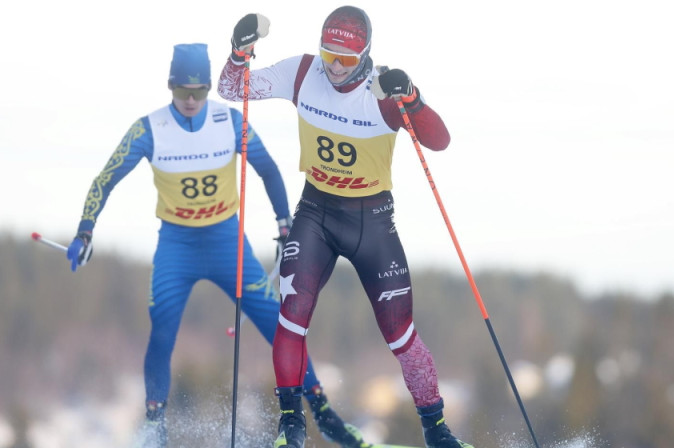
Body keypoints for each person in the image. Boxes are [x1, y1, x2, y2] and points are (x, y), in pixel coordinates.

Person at [66, 43, 364, 448]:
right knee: (162, 331)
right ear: (170, 87)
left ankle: (322, 411)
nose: (190, 100)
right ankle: (155, 424)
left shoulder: (229, 120)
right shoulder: (149, 129)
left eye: (199, 91)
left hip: (227, 243)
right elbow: (106, 178)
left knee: (281, 325)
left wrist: (284, 227)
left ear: (208, 88)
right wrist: (85, 231)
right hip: (177, 246)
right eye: (182, 91)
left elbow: (269, 170)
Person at [218, 7, 474, 448]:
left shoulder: (382, 92)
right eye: (329, 55)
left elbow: (440, 141)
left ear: (366, 56)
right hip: (316, 213)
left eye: (347, 60)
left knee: (400, 332)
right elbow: (230, 89)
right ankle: (291, 427)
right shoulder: (302, 73)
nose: (335, 68)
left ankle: (436, 432)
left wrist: (411, 97)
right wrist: (239, 54)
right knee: (291, 317)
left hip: (371, 222)